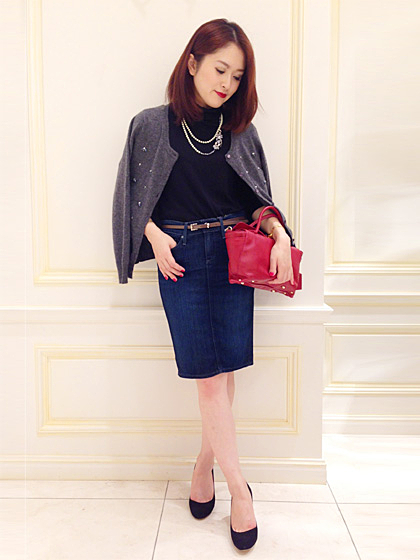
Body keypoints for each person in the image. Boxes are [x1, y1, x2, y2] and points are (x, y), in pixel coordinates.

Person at [112, 18, 295, 550]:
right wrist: (154, 236)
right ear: (191, 63)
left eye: (237, 77)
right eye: (220, 70)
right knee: (209, 380)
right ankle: (240, 491)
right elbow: (129, 197)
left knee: (225, 374)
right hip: (182, 260)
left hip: (234, 256)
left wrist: (279, 233)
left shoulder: (241, 132)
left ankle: (202, 466)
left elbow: (257, 201)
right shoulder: (150, 125)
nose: (227, 84)